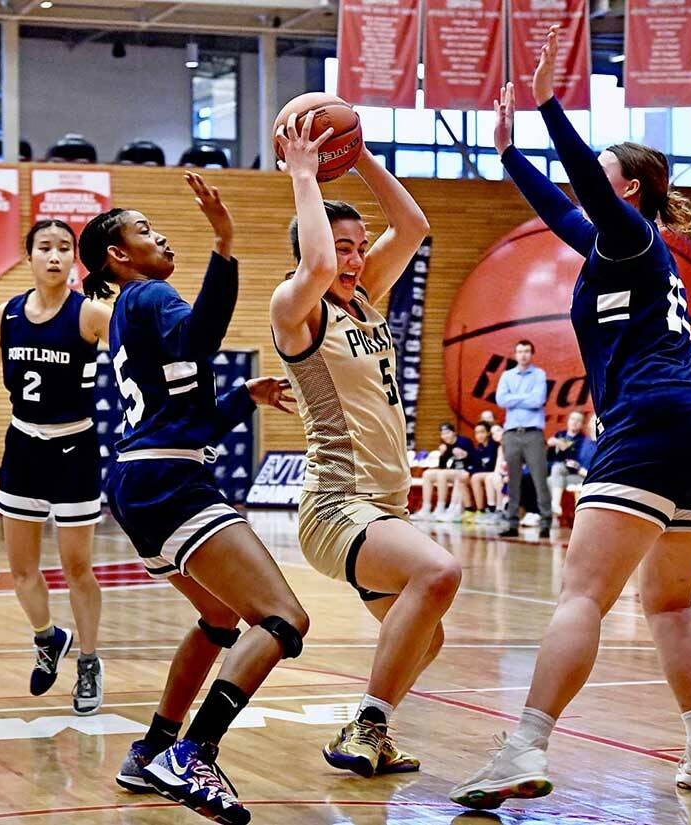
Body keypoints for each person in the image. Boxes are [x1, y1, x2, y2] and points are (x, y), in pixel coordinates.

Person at [451, 28, 691, 809]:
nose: (587, 188)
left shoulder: (634, 232)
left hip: (653, 419)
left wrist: (550, 104)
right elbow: (559, 208)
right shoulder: (621, 247)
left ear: (631, 190)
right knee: (672, 601)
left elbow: (578, 180)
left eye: (604, 180)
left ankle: (524, 744)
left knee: (583, 594)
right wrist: (510, 155)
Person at [82, 173, 308, 824]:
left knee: (219, 619)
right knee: (284, 618)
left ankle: (151, 746)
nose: (159, 235)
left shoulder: (136, 314)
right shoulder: (150, 295)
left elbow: (196, 417)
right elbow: (201, 335)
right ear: (118, 256)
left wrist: (244, 398)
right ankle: (194, 751)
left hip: (139, 481)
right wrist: (226, 242)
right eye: (144, 230)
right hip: (166, 481)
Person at [271, 112, 461, 779]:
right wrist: (303, 175)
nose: (352, 259)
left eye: (358, 247)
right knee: (439, 572)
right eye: (342, 246)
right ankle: (370, 720)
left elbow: (413, 227)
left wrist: (361, 157)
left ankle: (371, 733)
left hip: (384, 509)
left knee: (426, 637)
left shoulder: (365, 300)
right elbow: (318, 261)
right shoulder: (297, 305)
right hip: (335, 505)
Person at [0, 219, 110, 714]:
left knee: (77, 568)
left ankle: (89, 660)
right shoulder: (8, 313)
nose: (54, 256)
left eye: (64, 248)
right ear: (29, 256)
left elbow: (135, 349)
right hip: (23, 447)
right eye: (44, 248)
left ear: (74, 259)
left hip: (74, 449)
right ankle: (47, 636)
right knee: (20, 570)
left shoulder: (90, 314)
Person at [496, 340, 552, 538]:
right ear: (515, 354)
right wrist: (525, 397)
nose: (523, 355)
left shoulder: (539, 375)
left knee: (539, 480)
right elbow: (501, 400)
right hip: (511, 434)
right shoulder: (506, 375)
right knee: (513, 481)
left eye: (527, 351)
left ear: (532, 354)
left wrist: (514, 398)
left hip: (533, 434)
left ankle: (545, 522)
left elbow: (538, 400)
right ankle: (512, 523)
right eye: (519, 351)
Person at [412, 423, 473, 522]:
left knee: (442, 474)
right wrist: (442, 455)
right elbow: (442, 466)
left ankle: (441, 507)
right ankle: (426, 508)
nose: (445, 436)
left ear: (454, 432)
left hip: (464, 471)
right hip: (449, 472)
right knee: (427, 474)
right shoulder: (445, 445)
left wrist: (466, 454)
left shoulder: (464, 442)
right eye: (442, 434)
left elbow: (473, 459)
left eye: (447, 433)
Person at [547, 410, 591, 522]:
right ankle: (551, 515)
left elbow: (574, 461)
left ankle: (555, 506)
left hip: (574, 473)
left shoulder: (582, 440)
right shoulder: (559, 435)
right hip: (559, 474)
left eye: (578, 420)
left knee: (556, 470)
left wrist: (563, 446)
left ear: (582, 424)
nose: (574, 422)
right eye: (572, 419)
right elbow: (550, 458)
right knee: (549, 479)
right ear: (568, 421)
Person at [468, 422, 503, 523]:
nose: (479, 435)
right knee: (473, 476)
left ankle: (482, 509)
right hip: (488, 473)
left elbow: (491, 466)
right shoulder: (479, 448)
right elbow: (476, 466)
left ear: (488, 433)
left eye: (482, 432)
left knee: (476, 477)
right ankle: (484, 509)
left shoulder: (495, 446)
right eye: (476, 433)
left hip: (496, 472)